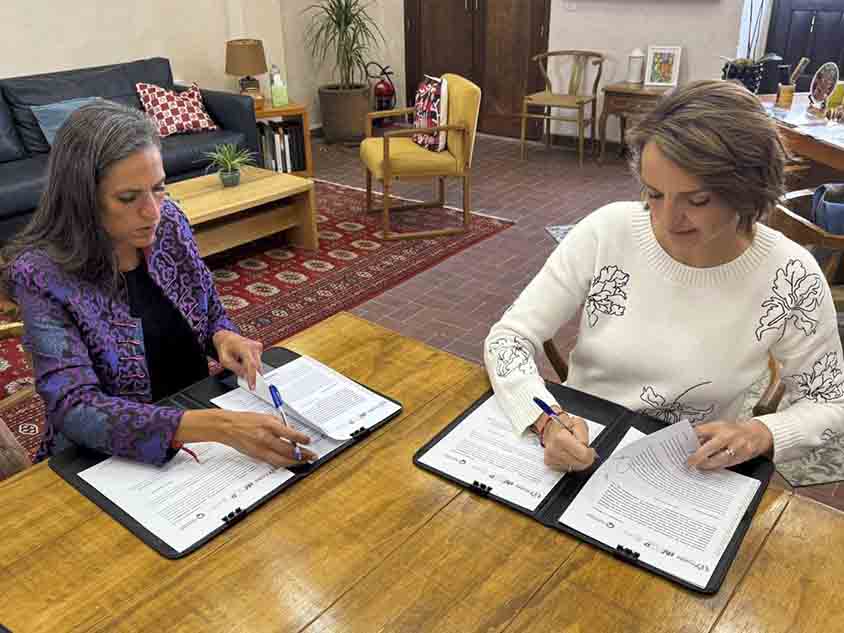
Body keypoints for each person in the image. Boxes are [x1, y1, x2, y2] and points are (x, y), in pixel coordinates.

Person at [484, 80, 844, 473]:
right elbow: (509, 339)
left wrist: (761, 432)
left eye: (698, 200)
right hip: (584, 447)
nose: (667, 220)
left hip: (690, 467)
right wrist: (547, 421)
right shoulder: (607, 231)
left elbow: (830, 404)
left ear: (749, 191)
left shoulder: (790, 275)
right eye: (654, 193)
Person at [2, 101, 315, 467]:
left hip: (200, 432)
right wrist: (217, 426)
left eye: (159, 187)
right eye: (128, 198)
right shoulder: (42, 275)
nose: (152, 211)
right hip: (105, 461)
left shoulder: (170, 224)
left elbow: (209, 312)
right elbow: (74, 408)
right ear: (82, 199)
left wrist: (223, 338)